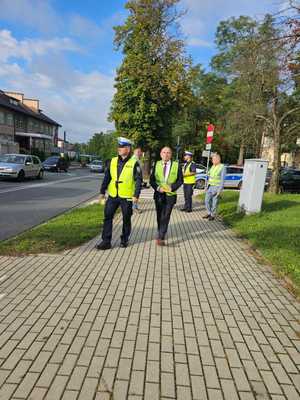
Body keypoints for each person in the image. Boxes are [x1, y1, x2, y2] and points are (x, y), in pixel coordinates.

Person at [97, 137, 142, 250]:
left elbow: (138, 180)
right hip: (113, 195)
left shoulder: (134, 163)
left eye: (121, 147)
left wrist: (136, 195)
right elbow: (107, 177)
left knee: (126, 218)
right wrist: (102, 191)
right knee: (108, 216)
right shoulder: (112, 161)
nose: (119, 149)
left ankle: (124, 239)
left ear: (127, 148)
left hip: (126, 196)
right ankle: (106, 241)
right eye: (119, 147)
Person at [150, 147, 183, 246]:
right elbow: (152, 180)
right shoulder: (156, 164)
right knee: (160, 215)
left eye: (168, 153)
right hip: (159, 194)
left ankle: (161, 236)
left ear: (171, 155)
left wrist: (172, 187)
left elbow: (180, 180)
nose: (166, 154)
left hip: (170, 195)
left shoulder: (177, 165)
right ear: (160, 154)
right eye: (164, 152)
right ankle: (161, 230)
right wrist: (158, 187)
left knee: (166, 215)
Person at [203, 153, 226, 221]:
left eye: (213, 159)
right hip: (210, 186)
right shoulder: (213, 166)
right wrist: (206, 186)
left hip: (216, 187)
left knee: (214, 202)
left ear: (218, 159)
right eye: (212, 159)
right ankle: (209, 212)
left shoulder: (222, 167)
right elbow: (209, 177)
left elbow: (222, 180)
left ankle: (212, 215)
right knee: (207, 201)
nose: (212, 161)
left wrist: (219, 190)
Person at [132, 147, 143, 214]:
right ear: (134, 152)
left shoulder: (138, 160)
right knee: (135, 194)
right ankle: (134, 208)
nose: (140, 153)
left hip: (136, 180)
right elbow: (137, 174)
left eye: (140, 152)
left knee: (135, 194)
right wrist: (139, 182)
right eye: (138, 152)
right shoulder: (134, 160)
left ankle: (134, 207)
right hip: (135, 181)